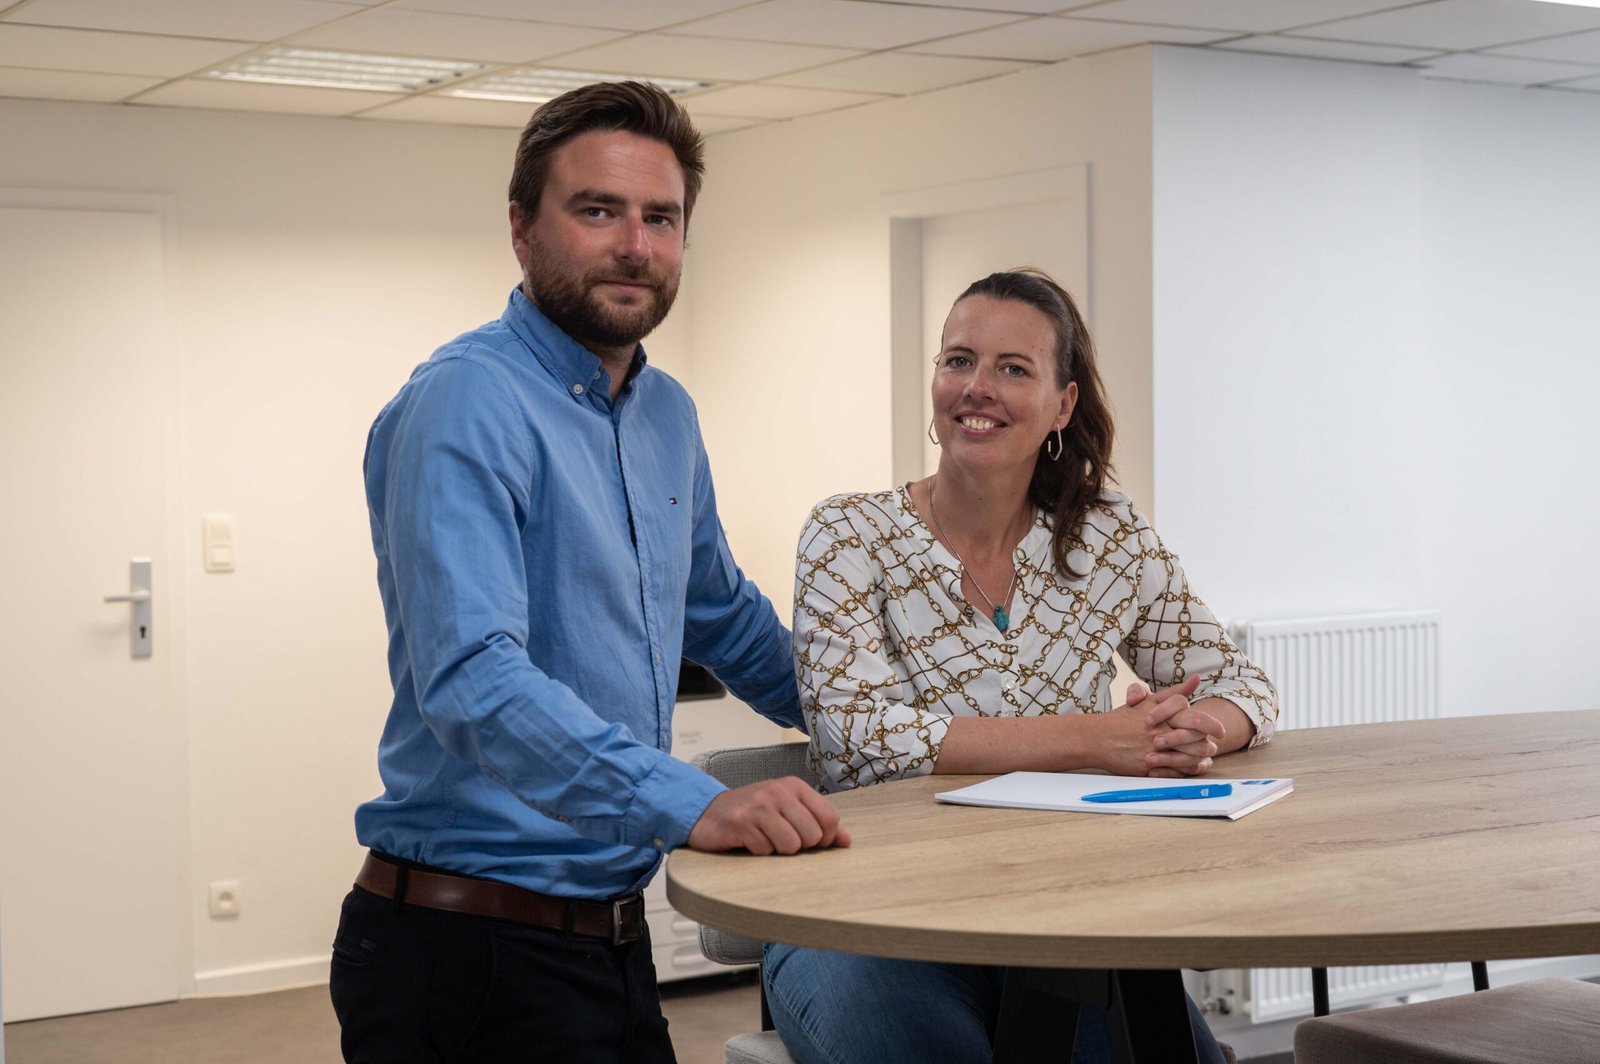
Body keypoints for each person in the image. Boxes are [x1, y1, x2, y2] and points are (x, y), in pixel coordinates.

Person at [329, 81, 848, 1064]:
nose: (635, 246)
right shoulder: (465, 402)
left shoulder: (667, 414)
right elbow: (474, 681)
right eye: (599, 210)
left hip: (608, 939)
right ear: (521, 229)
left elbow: (724, 617)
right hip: (464, 952)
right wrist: (694, 800)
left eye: (662, 217)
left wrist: (892, 726)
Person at [771, 268, 1279, 1064]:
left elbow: (1244, 687)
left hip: (1057, 911)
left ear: (1063, 404)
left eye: (1013, 368)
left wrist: (1189, 732)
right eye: (959, 360)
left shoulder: (1107, 535)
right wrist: (1094, 739)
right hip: (865, 914)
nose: (978, 387)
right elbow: (858, 741)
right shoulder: (848, 535)